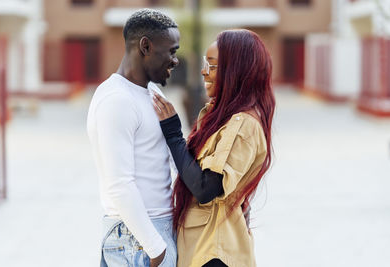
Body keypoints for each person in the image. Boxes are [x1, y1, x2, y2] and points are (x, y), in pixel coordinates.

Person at [152, 29, 275, 267]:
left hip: (215, 252)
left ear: (236, 71)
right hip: (203, 248)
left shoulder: (243, 124)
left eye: (213, 66)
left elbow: (206, 187)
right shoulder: (222, 118)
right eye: (204, 64)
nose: (203, 72)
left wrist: (173, 133)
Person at [87, 9, 179, 267]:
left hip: (154, 232)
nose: (176, 60)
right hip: (137, 238)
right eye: (171, 51)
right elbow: (119, 184)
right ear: (146, 46)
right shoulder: (116, 99)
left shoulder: (151, 93)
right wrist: (156, 249)